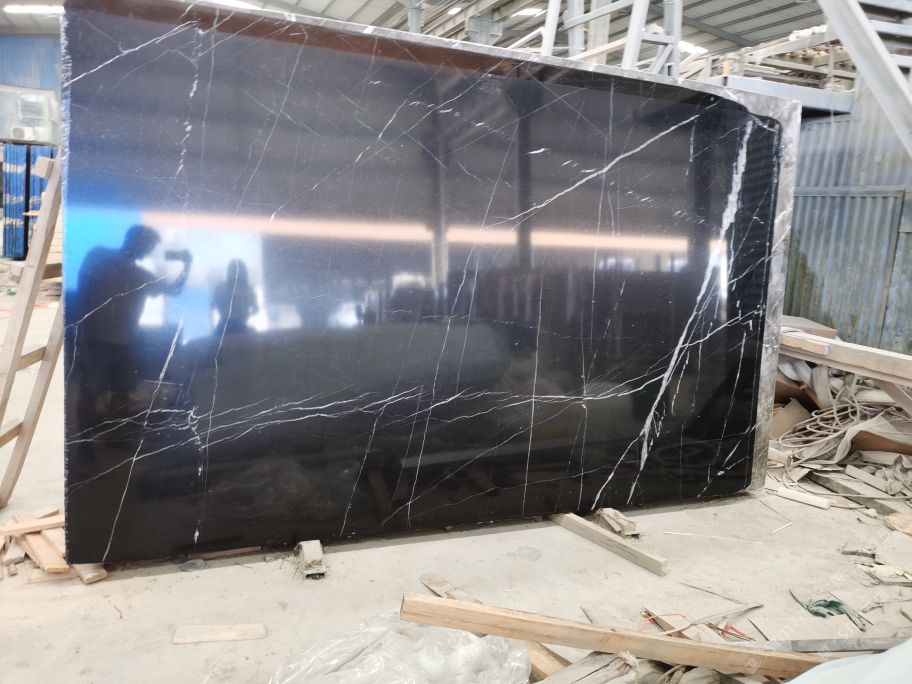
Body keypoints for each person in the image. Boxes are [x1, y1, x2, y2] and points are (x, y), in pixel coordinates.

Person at [73, 224, 192, 407]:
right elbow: (84, 291)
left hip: (123, 342)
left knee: (119, 393)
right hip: (98, 340)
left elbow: (173, 290)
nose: (149, 251)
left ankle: (107, 423)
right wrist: (82, 330)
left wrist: (187, 266)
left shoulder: (139, 274)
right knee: (93, 391)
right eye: (149, 246)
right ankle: (92, 422)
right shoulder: (101, 257)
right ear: (137, 242)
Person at [212, 259, 258, 335]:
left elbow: (213, 305)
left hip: (224, 329)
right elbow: (255, 309)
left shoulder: (220, 288)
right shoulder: (248, 289)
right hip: (230, 329)